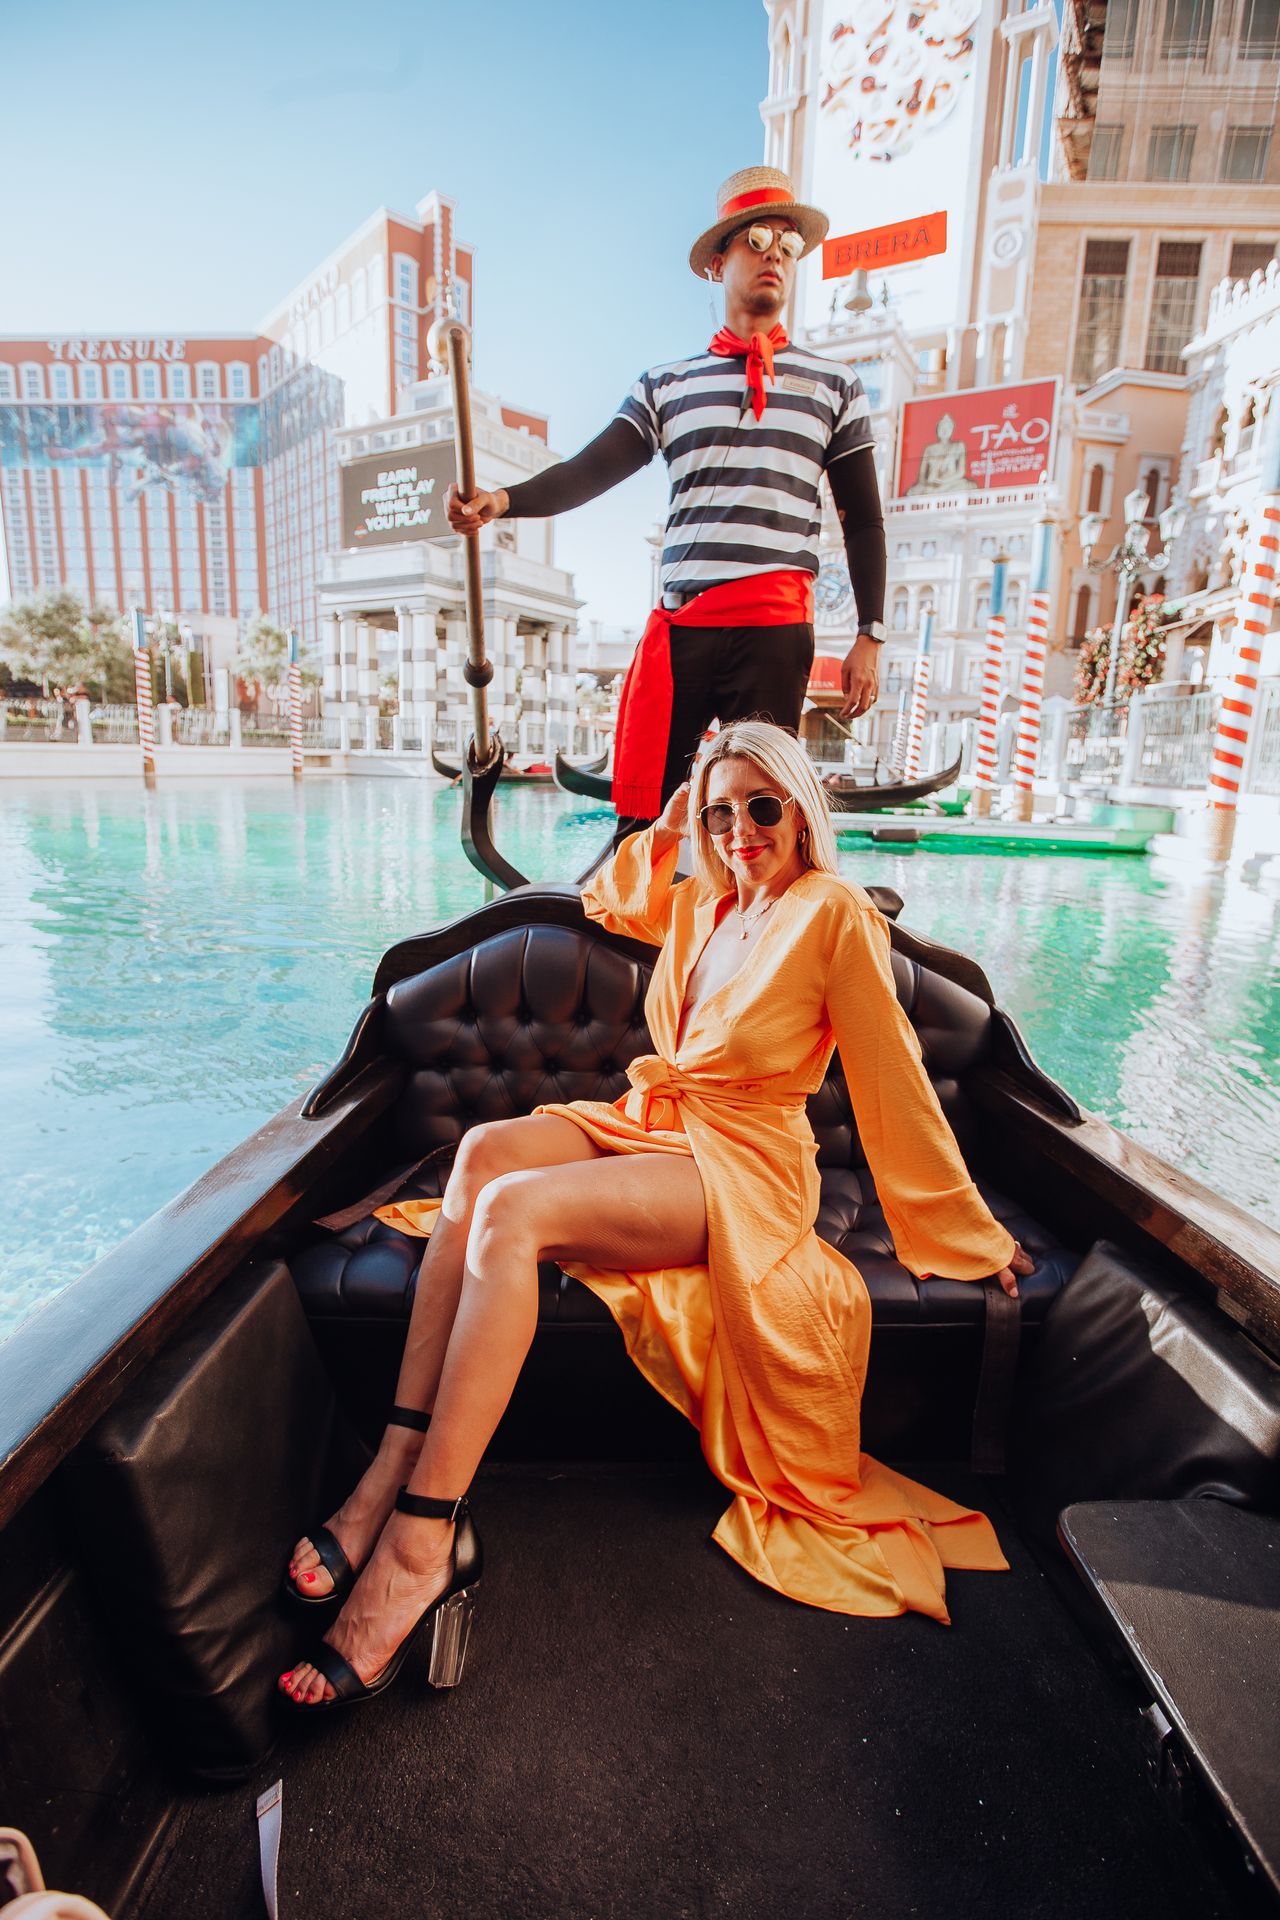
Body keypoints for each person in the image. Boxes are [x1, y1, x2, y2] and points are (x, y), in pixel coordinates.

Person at [279, 721, 1032, 1708]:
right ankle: (388, 1467)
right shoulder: (709, 901)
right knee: (483, 1153)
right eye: (722, 813)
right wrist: (679, 822)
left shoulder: (833, 912)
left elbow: (893, 1076)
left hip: (747, 1165)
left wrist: (968, 1235)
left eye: (761, 806)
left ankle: (421, 1539)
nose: (740, 830)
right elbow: (612, 896)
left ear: (801, 808)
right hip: (661, 1125)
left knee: (510, 1213)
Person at [445, 167, 889, 837]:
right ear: (718, 262)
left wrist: (869, 635)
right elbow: (590, 470)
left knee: (765, 819)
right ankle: (634, 900)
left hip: (774, 630)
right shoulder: (666, 384)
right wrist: (500, 500)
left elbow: (864, 520)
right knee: (647, 815)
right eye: (757, 239)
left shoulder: (836, 385)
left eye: (788, 245)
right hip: (684, 629)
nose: (774, 255)